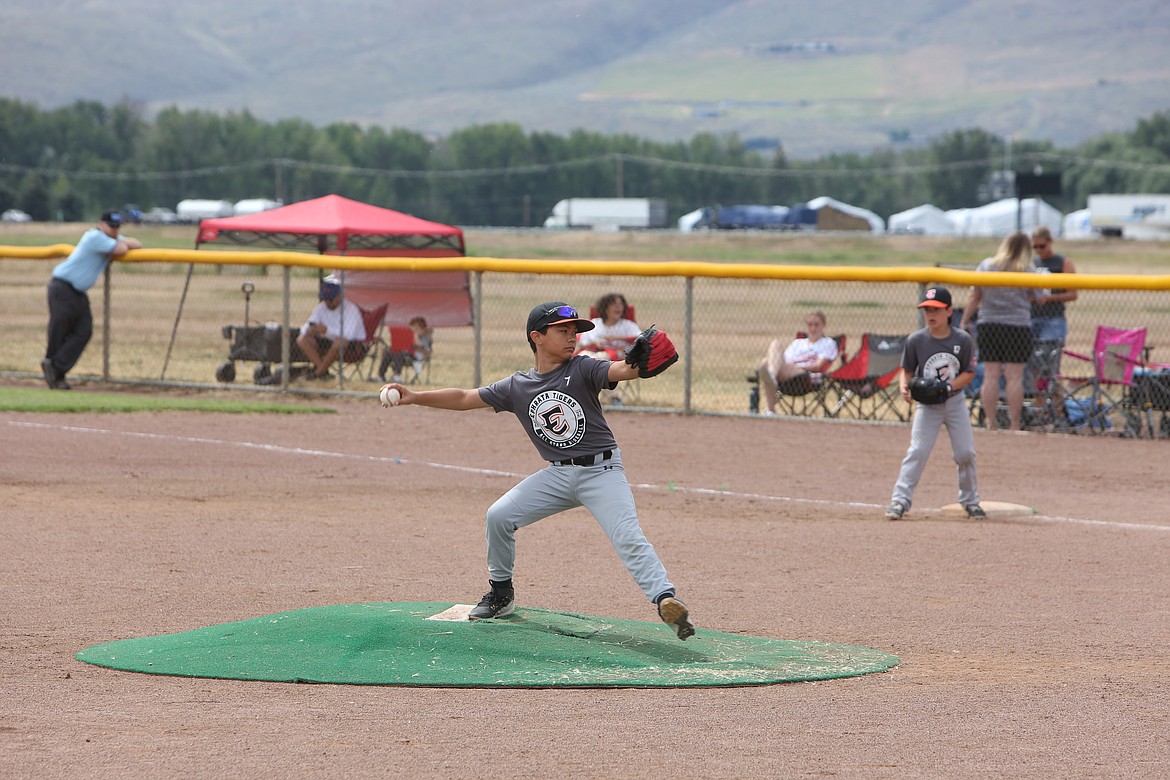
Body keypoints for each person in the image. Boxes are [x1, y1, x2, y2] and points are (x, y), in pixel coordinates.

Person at [376, 301, 695, 641]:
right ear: (537, 337)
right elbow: (466, 397)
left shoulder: (583, 369)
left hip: (602, 472)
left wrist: (635, 364)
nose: (572, 337)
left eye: (575, 331)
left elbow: (622, 371)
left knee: (627, 536)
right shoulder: (518, 386)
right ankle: (501, 594)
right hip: (558, 475)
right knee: (498, 516)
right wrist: (415, 396)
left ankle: (665, 601)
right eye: (563, 331)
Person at [887, 286, 983, 521]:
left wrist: (949, 387)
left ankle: (970, 501)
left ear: (949, 311)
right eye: (927, 309)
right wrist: (904, 385)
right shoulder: (916, 340)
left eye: (936, 310)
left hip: (954, 403)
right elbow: (907, 370)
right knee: (917, 451)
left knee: (965, 453)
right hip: (927, 407)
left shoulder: (962, 339)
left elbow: (969, 373)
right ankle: (899, 500)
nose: (931, 314)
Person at [42, 211, 143, 390]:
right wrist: (121, 242)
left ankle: (55, 367)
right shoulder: (94, 236)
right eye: (111, 226)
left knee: (84, 331)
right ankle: (55, 371)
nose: (114, 230)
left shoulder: (111, 239)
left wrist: (120, 240)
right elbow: (122, 249)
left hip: (77, 292)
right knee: (60, 330)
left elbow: (138, 244)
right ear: (101, 224)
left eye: (117, 226)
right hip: (63, 287)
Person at [959, 231, 1046, 432]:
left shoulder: (987, 266)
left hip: (989, 324)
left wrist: (964, 321)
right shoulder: (1028, 270)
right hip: (1018, 326)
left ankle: (992, 423)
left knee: (991, 376)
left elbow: (975, 296)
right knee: (1014, 377)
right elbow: (1040, 297)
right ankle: (1014, 424)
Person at [755, 310, 839, 416]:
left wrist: (798, 366)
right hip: (786, 374)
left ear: (823, 325)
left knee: (766, 364)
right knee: (774, 346)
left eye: (817, 325)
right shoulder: (798, 343)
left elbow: (818, 366)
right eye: (810, 324)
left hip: (805, 377)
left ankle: (771, 403)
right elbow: (781, 360)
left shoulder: (828, 343)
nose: (813, 328)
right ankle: (771, 377)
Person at [295, 275, 367, 379]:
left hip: (353, 347)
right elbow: (306, 327)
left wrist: (327, 331)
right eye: (325, 299)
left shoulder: (351, 310)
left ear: (340, 296)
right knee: (302, 339)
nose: (327, 302)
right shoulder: (321, 308)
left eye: (330, 299)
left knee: (339, 341)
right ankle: (323, 373)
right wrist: (309, 330)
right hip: (327, 343)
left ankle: (317, 373)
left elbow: (347, 336)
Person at [1030, 225, 1077, 355]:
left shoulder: (1063, 262)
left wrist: (1049, 298)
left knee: (1048, 359)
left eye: (1042, 246)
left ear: (1050, 242)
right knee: (1030, 361)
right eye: (1035, 247)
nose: (1039, 250)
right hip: (1031, 316)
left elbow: (1073, 294)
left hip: (1053, 318)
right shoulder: (1032, 263)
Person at [576, 292, 641, 360]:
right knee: (582, 356)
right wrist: (596, 343)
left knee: (600, 357)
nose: (618, 307)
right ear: (605, 307)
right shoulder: (596, 323)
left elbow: (640, 339)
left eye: (621, 304)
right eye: (614, 304)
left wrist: (617, 338)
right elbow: (583, 342)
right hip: (594, 351)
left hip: (615, 355)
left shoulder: (628, 325)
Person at [377, 315, 432, 383]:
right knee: (388, 353)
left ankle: (397, 376)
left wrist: (414, 335)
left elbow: (423, 348)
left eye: (417, 328)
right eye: (413, 326)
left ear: (422, 328)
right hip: (404, 352)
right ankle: (381, 375)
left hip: (416, 356)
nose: (414, 329)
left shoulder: (424, 336)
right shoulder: (409, 333)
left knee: (399, 354)